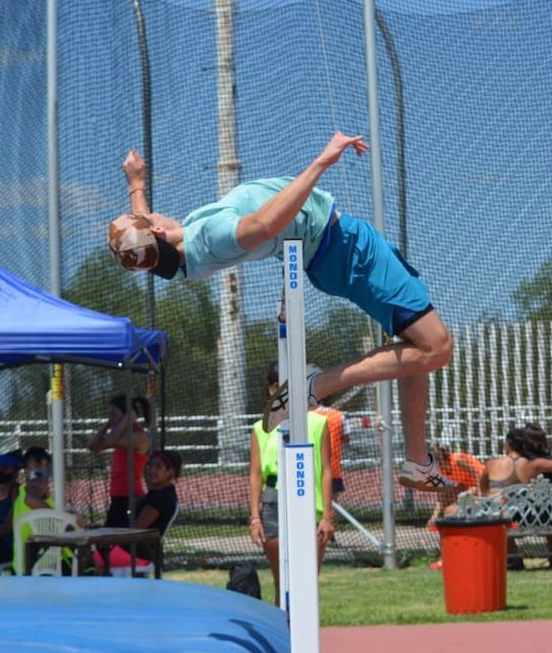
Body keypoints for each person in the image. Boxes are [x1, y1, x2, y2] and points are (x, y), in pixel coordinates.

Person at [109, 131, 454, 492]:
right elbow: (264, 225)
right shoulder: (212, 236)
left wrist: (136, 183)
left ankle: (418, 460)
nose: (154, 216)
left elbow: (144, 234)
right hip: (348, 250)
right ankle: (315, 386)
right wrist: (323, 161)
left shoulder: (179, 251)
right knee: (438, 348)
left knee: (417, 347)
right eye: (149, 220)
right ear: (158, 231)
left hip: (333, 255)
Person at [248, 362, 334, 606]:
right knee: (282, 582)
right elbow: (255, 474)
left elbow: (326, 470)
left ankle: (306, 628)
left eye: (288, 386)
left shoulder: (318, 423)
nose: (282, 392)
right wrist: (255, 517)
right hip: (274, 502)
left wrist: (328, 515)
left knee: (307, 581)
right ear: (270, 389)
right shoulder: (260, 428)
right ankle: (283, 627)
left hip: (310, 502)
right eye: (278, 386)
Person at [480, 427, 552, 570]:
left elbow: (483, 490)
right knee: (545, 505)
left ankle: (514, 557)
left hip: (499, 518)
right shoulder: (532, 465)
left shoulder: (491, 464)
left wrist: (495, 494)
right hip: (524, 518)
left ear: (508, 444)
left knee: (500, 510)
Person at [94, 449, 182, 573]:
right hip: (136, 551)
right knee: (95, 551)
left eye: (158, 467)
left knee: (90, 555)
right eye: (150, 465)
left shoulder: (161, 497)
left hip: (138, 554)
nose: (151, 470)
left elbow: (136, 529)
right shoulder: (160, 493)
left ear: (170, 472)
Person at [88, 395, 151, 528]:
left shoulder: (139, 436)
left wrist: (126, 420)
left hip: (130, 497)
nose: (111, 418)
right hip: (118, 497)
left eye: (114, 414)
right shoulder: (119, 435)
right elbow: (92, 446)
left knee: (114, 537)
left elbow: (110, 441)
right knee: (109, 537)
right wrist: (107, 424)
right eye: (109, 414)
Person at [427, 443, 485, 528]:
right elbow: (441, 496)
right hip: (468, 483)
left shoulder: (457, 460)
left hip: (483, 480)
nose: (436, 462)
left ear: (443, 456)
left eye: (437, 458)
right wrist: (434, 516)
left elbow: (478, 475)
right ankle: (439, 520)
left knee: (464, 496)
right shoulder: (441, 470)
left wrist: (480, 496)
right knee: (447, 494)